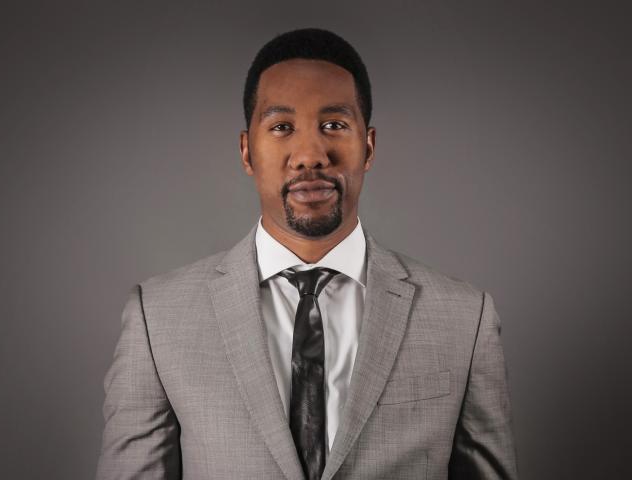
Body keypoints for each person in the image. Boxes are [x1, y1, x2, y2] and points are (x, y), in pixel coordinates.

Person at [96, 28, 518, 480]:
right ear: (246, 151)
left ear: (369, 146)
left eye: (334, 125)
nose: (310, 155)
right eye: (281, 127)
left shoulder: (462, 319)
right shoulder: (158, 318)